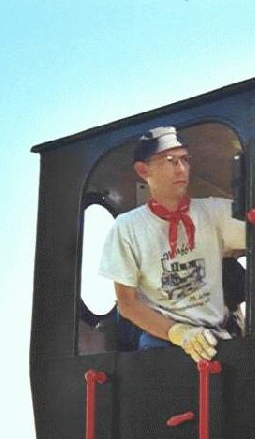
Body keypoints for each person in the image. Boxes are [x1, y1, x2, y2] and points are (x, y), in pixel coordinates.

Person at [99, 126, 246, 362]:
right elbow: (127, 303)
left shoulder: (215, 212)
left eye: (185, 160)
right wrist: (178, 333)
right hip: (163, 342)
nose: (182, 169)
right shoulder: (127, 228)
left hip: (217, 337)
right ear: (143, 169)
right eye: (171, 161)